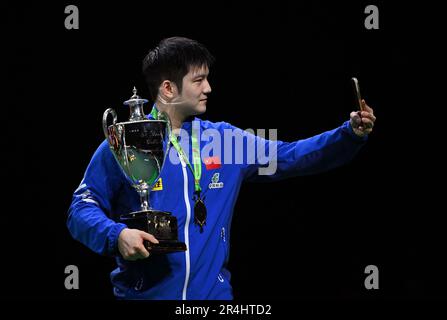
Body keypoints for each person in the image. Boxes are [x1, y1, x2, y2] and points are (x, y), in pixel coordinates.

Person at [67, 36, 376, 299]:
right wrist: (117, 235)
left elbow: (290, 156)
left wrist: (348, 134)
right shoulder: (126, 141)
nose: (209, 88)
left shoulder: (224, 140)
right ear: (168, 88)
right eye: (198, 80)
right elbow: (81, 208)